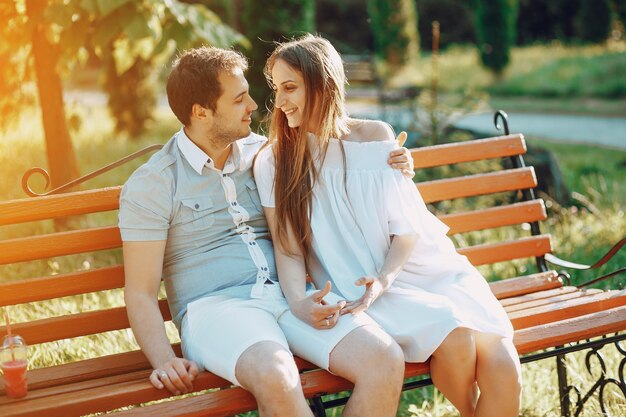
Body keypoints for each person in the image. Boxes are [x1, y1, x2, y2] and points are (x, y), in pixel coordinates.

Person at [119, 45, 414, 417]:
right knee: (278, 376)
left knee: (383, 359)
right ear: (201, 113)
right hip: (217, 310)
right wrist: (164, 359)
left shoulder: (267, 156)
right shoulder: (154, 184)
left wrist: (393, 160)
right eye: (240, 98)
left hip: (288, 297)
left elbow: (343, 154)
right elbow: (141, 292)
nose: (256, 106)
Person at [254, 34, 522, 417]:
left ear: (322, 84)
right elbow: (287, 247)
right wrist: (299, 301)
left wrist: (384, 277)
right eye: (276, 89)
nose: (279, 102)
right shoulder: (276, 162)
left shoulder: (377, 136)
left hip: (414, 269)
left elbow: (407, 230)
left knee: (503, 367)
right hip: (358, 285)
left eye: (290, 87)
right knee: (458, 337)